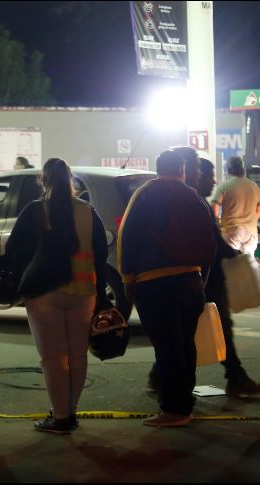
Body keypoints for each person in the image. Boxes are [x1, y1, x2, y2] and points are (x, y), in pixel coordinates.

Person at [5, 158, 108, 434]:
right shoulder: (88, 211)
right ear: (71, 180)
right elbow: (101, 253)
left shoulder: (35, 211)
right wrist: (101, 292)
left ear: (44, 181)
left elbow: (14, 250)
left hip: (44, 293)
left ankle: (60, 417)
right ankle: (71, 413)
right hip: (83, 291)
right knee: (77, 357)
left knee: (53, 358)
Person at [119, 150, 215, 428]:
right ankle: (184, 404)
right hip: (191, 281)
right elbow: (209, 245)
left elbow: (127, 237)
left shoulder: (146, 194)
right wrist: (200, 280)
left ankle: (174, 409)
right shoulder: (194, 197)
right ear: (182, 171)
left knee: (167, 348)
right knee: (186, 344)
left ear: (157, 169)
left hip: (155, 282)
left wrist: (127, 278)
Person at [149, 158, 260, 397]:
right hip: (203, 279)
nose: (212, 182)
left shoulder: (193, 203)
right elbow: (213, 242)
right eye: (208, 176)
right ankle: (233, 377)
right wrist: (234, 255)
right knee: (210, 328)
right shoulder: (196, 204)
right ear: (194, 175)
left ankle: (161, 377)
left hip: (203, 277)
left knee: (193, 329)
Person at [211, 155, 260, 255]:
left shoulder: (225, 186)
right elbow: (258, 209)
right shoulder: (255, 187)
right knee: (247, 263)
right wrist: (253, 220)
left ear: (229, 170)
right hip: (251, 234)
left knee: (231, 262)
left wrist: (218, 225)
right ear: (242, 169)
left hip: (231, 231)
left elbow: (214, 206)